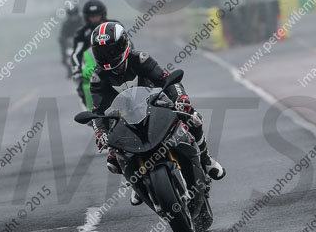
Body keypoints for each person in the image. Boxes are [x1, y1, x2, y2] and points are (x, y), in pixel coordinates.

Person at [88, 21, 225, 205]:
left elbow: (166, 80)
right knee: (112, 161)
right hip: (123, 118)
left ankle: (206, 159)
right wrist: (101, 133)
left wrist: (181, 98)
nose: (108, 57)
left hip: (154, 104)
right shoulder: (98, 78)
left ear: (124, 45)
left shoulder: (140, 59)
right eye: (102, 53)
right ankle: (137, 182)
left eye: (112, 51)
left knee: (192, 118)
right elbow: (98, 112)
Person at [70, 0, 121, 108]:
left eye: (97, 16)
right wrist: (76, 70)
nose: (94, 19)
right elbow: (76, 53)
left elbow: (127, 45)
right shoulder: (81, 33)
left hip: (117, 63)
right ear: (86, 17)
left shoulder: (115, 26)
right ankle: (93, 112)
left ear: (103, 14)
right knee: (81, 87)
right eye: (92, 16)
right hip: (93, 68)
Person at [59, 3, 83, 77]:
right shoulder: (66, 24)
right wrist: (62, 40)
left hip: (83, 42)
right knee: (66, 52)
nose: (73, 17)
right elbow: (62, 35)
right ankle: (69, 68)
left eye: (74, 14)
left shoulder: (82, 21)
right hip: (71, 45)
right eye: (71, 15)